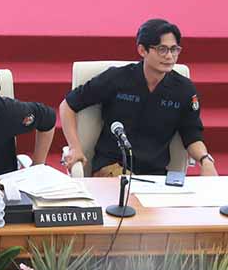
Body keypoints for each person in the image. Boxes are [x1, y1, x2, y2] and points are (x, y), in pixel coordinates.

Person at [60, 18, 218, 176]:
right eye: (162, 49)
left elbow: (192, 134)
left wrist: (205, 159)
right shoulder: (117, 78)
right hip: (112, 167)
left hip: (155, 175)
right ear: (142, 50)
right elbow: (68, 105)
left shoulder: (184, 89)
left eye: (174, 49)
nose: (170, 56)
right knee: (131, 196)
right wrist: (75, 147)